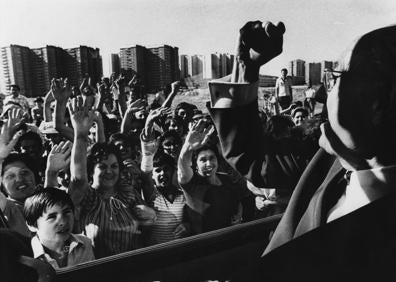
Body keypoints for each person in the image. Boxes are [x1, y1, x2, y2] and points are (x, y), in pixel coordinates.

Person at [208, 20, 396, 281]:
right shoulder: (325, 159)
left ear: (378, 102)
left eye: (335, 79)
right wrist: (247, 68)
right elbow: (249, 157)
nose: (321, 97)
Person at [67, 95, 156, 258]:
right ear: (91, 171)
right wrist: (80, 135)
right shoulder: (88, 198)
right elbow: (78, 181)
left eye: (114, 166)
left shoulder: (128, 195)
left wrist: (150, 216)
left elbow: (147, 229)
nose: (109, 171)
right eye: (102, 166)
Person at [178, 121, 242, 235]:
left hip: (229, 239)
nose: (209, 164)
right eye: (203, 160)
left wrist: (238, 216)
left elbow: (237, 202)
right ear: (195, 164)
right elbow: (182, 168)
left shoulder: (226, 179)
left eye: (212, 158)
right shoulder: (192, 183)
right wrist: (187, 147)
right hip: (204, 244)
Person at [24, 188, 95, 269]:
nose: (63, 222)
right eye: (52, 217)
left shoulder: (85, 243)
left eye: (66, 212)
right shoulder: (25, 255)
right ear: (32, 225)